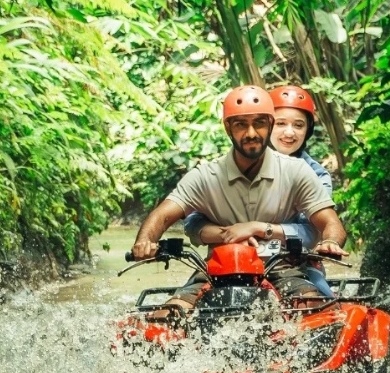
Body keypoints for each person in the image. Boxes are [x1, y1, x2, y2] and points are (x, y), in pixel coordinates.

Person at [131, 84, 347, 310]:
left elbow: (329, 221)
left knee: (322, 312)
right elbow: (164, 214)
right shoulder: (205, 176)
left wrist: (330, 242)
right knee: (169, 315)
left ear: (269, 124)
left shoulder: (298, 171)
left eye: (259, 123)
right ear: (228, 128)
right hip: (217, 269)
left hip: (282, 267)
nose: (251, 133)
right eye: (241, 124)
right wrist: (145, 241)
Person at [185, 84, 334, 296]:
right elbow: (194, 219)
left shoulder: (315, 175)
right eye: (281, 124)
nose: (289, 133)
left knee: (323, 299)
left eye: (298, 125)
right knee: (183, 300)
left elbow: (311, 231)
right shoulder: (229, 166)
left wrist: (256, 228)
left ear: (307, 130)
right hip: (232, 259)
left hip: (294, 262)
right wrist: (227, 234)